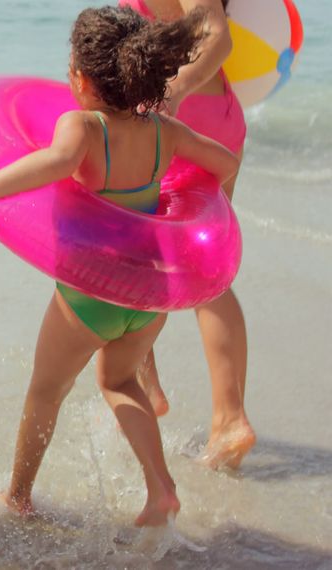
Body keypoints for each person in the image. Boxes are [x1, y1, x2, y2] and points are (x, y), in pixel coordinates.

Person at [0, 6, 239, 526]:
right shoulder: (163, 131)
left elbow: (55, 163)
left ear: (82, 79)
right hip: (146, 299)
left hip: (87, 298)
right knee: (119, 382)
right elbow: (224, 164)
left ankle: (18, 495)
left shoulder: (82, 127)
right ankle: (161, 489)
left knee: (46, 391)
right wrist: (188, 201)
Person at [120, 0, 256, 471]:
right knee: (199, 268)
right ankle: (217, 412)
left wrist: (173, 93)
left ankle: (219, 413)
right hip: (212, 116)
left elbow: (218, 36)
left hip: (182, 120)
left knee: (142, 260)